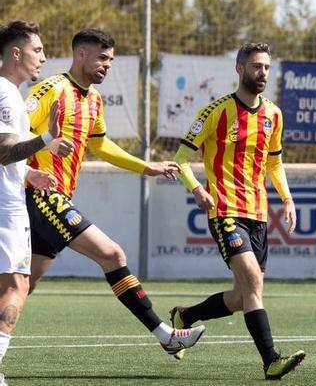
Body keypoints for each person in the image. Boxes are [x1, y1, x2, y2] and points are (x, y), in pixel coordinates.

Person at [25, 29, 205, 356]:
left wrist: (146, 167)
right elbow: (13, 135)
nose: (107, 65)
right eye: (102, 58)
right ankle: (166, 334)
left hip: (59, 198)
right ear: (80, 54)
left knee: (23, 284)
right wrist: (33, 169)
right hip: (39, 195)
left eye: (110, 60)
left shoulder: (93, 99)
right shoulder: (50, 90)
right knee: (113, 255)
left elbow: (100, 145)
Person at [169, 42, 304, 380]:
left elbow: (274, 163)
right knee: (253, 281)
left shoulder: (274, 114)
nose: (263, 74)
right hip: (225, 211)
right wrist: (198, 189)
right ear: (240, 69)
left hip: (259, 214)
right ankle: (271, 360)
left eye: (267, 68)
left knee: (245, 296)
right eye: (257, 66)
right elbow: (181, 160)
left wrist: (287, 198)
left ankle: (184, 317)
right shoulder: (215, 111)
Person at [0, 20, 73, 386]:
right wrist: (47, 138)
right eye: (37, 50)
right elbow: (3, 151)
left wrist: (29, 174)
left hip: (8, 195)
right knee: (16, 285)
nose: (43, 57)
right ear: (16, 52)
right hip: (4, 207)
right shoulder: (6, 92)